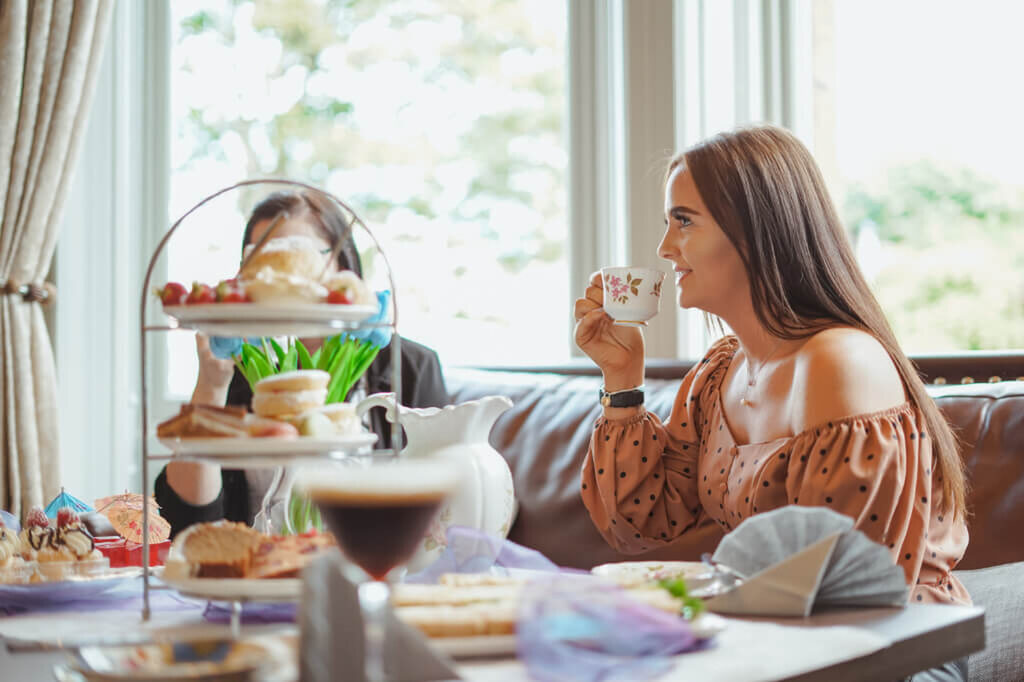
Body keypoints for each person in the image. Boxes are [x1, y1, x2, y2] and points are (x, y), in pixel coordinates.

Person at [574, 126, 970, 601]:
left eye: (684, 221)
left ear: (757, 229)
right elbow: (639, 526)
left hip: (892, 651)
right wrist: (621, 376)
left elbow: (845, 595)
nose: (664, 248)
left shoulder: (836, 363)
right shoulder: (722, 370)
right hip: (787, 638)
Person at [156, 190, 449, 537]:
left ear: (342, 264)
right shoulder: (238, 366)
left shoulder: (410, 368)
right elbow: (187, 523)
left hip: (373, 561)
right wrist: (211, 385)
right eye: (260, 260)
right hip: (261, 573)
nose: (278, 275)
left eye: (294, 255)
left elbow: (444, 502)